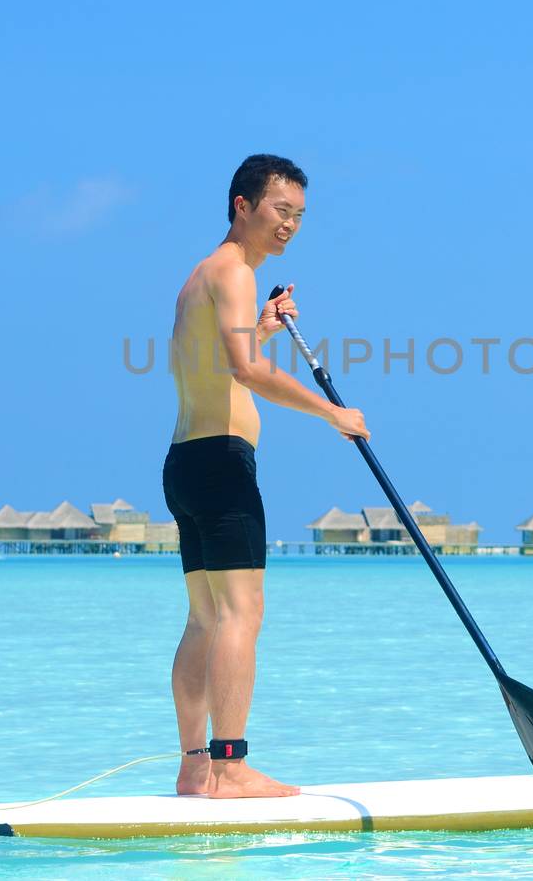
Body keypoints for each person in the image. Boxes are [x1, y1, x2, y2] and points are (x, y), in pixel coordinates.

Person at [163, 154, 370, 798]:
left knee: (205, 618)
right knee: (240, 615)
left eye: (299, 216)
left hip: (187, 463)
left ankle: (196, 767)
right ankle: (229, 768)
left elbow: (223, 361)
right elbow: (247, 374)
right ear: (242, 206)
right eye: (281, 210)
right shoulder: (236, 272)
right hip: (223, 465)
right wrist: (332, 412)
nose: (290, 225)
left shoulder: (203, 277)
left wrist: (262, 329)